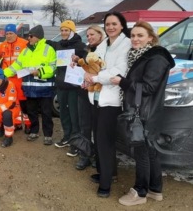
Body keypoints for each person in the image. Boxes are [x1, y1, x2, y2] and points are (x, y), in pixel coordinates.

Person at [111, 21, 175, 206]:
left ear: (150, 38)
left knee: (142, 153)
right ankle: (155, 189)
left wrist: (122, 82)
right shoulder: (142, 56)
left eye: (140, 35)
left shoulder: (155, 58)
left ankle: (140, 192)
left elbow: (148, 87)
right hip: (145, 111)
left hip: (144, 113)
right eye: (133, 36)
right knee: (150, 151)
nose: (135, 39)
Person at [83, 12, 131, 198]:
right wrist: (87, 76)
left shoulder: (125, 45)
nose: (110, 27)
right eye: (107, 24)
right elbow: (93, 64)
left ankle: (105, 185)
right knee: (99, 138)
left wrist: (94, 77)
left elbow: (117, 73)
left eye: (114, 24)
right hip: (96, 97)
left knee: (105, 142)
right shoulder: (104, 44)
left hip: (111, 101)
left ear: (121, 25)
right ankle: (108, 173)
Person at [4, 25, 57, 145]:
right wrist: (3, 74)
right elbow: (16, 65)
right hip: (29, 88)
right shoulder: (26, 50)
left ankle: (48, 135)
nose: (29, 38)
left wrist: (40, 72)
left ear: (37, 36)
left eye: (31, 36)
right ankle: (34, 131)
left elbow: (53, 68)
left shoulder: (49, 49)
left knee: (46, 113)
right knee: (32, 111)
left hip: (45, 88)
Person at [48, 20, 86, 155]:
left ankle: (76, 141)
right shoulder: (59, 45)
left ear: (72, 31)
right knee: (63, 112)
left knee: (74, 114)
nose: (64, 33)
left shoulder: (80, 46)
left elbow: (86, 64)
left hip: (74, 86)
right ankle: (67, 136)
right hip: (61, 84)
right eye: (62, 30)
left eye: (66, 30)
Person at [74, 25, 106, 170]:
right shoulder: (87, 50)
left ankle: (99, 156)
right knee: (84, 125)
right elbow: (85, 69)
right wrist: (76, 63)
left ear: (101, 35)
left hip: (100, 93)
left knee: (98, 127)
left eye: (92, 34)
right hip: (84, 93)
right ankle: (85, 154)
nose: (90, 37)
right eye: (88, 35)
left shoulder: (106, 50)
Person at [0, 24, 28, 116]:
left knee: (23, 102)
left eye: (11, 33)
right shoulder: (2, 45)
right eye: (7, 34)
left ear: (16, 33)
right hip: (7, 79)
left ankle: (28, 124)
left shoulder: (24, 43)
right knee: (11, 101)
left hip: (20, 78)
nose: (8, 36)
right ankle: (17, 123)